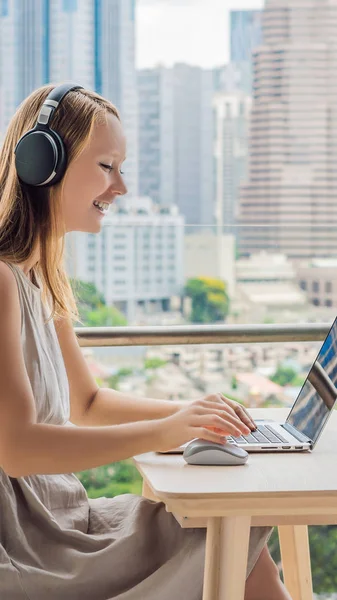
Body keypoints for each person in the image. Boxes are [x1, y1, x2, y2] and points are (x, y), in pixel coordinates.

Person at [0, 83, 292, 600]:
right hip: (26, 546)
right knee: (230, 533)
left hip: (60, 517)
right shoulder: (1, 281)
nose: (121, 188)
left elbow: (87, 404)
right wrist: (164, 430)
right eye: (107, 166)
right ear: (41, 163)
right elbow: (18, 450)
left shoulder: (41, 275)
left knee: (234, 531)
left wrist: (198, 416)